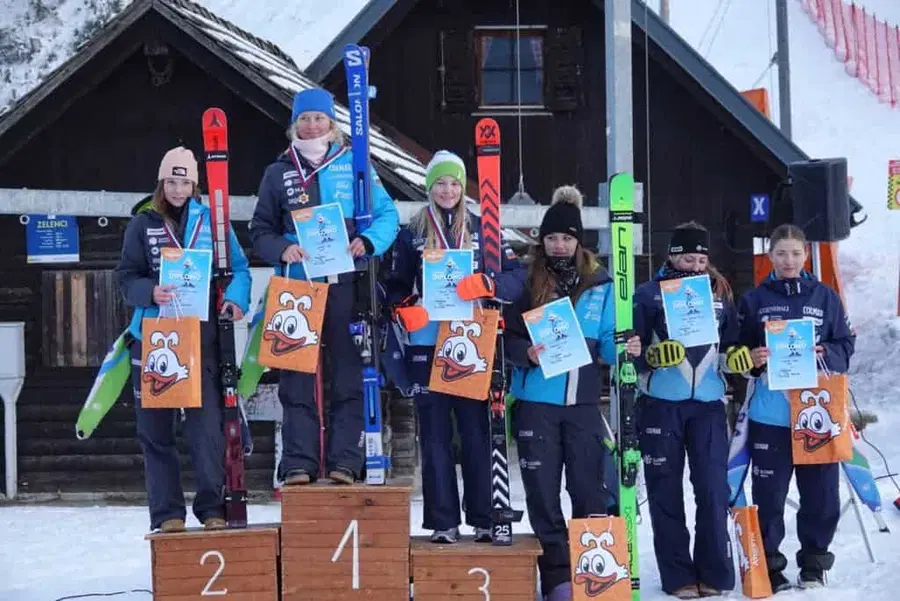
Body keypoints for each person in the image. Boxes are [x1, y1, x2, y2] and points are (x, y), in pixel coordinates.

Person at [249, 88, 399, 486]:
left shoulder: (354, 164)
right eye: (305, 118)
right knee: (296, 377)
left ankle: (345, 461)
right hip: (296, 285)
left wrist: (368, 241)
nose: (312, 125)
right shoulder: (278, 171)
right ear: (294, 124)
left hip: (346, 283)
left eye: (319, 118)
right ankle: (298, 462)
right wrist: (282, 248)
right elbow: (260, 230)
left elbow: (387, 214)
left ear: (331, 123)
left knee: (348, 372)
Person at [503, 185, 641, 601]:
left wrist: (627, 348)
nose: (559, 245)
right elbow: (503, 337)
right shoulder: (524, 280)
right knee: (543, 496)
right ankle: (558, 579)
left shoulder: (600, 283)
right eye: (551, 238)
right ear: (541, 241)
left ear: (578, 241)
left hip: (582, 404)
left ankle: (591, 577)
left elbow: (609, 342)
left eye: (566, 237)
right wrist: (525, 353)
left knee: (588, 491)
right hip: (537, 404)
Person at [383, 150, 526, 543]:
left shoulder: (485, 229)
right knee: (434, 436)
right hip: (427, 344)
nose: (447, 190)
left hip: (471, 341)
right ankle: (443, 521)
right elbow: (393, 284)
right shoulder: (411, 232)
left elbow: (516, 277)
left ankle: (483, 516)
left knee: (475, 432)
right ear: (429, 187)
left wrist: (490, 284)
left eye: (454, 183)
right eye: (440, 183)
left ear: (463, 187)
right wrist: (404, 308)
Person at [116, 146, 251, 533]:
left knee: (206, 429)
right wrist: (150, 291)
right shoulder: (142, 224)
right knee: (156, 431)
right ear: (161, 183)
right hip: (156, 337)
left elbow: (240, 269)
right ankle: (167, 514)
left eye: (185, 182)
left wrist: (236, 301)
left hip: (201, 336)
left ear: (195, 185)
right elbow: (126, 277)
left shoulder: (213, 222)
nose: (177, 190)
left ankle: (212, 508)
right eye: (171, 182)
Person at [632, 221, 750, 599]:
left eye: (701, 259)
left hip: (708, 407)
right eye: (687, 258)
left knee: (713, 490)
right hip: (660, 405)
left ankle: (714, 572)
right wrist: (649, 358)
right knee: (665, 491)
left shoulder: (718, 295)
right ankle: (678, 575)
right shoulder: (648, 295)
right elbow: (628, 350)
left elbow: (730, 345)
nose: (695, 266)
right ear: (672, 256)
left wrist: (737, 360)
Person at [737, 223, 854, 590]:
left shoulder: (825, 297)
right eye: (781, 253)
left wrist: (826, 352)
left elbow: (845, 346)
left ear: (805, 255)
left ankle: (814, 564)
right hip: (770, 414)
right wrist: (753, 358)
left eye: (795, 253)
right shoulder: (754, 300)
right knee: (769, 498)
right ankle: (770, 566)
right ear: (770, 255)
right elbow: (736, 352)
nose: (788, 260)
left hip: (815, 415)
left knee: (821, 496)